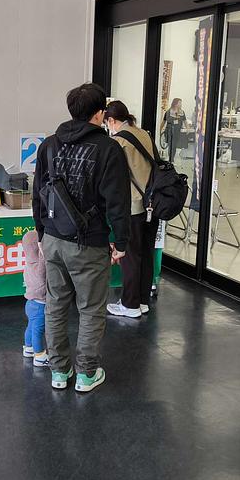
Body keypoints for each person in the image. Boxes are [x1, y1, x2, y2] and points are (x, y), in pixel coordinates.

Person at [32, 83, 131, 393]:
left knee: (55, 305)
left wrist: (41, 233)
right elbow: (118, 201)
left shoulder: (49, 145)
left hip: (52, 239)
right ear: (100, 114)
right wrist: (121, 242)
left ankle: (59, 371)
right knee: (90, 309)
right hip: (89, 243)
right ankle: (87, 374)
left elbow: (38, 194)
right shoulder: (108, 149)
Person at [104, 101, 156, 319]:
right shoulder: (144, 134)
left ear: (111, 120)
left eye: (107, 123)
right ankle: (142, 301)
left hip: (133, 205)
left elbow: (116, 178)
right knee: (146, 254)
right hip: (152, 203)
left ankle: (130, 304)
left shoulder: (118, 141)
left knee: (131, 256)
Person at [21, 230, 49, 367]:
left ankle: (28, 348)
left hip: (30, 303)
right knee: (38, 331)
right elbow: (44, 272)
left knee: (31, 327)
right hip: (40, 304)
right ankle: (39, 356)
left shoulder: (28, 264)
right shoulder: (40, 265)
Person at [159, 98, 186, 163]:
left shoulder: (182, 112)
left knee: (174, 146)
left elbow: (185, 121)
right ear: (175, 104)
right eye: (180, 103)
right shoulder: (169, 112)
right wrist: (159, 130)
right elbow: (164, 121)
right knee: (171, 145)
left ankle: (171, 159)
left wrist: (187, 128)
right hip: (170, 131)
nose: (181, 104)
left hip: (177, 132)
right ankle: (171, 160)